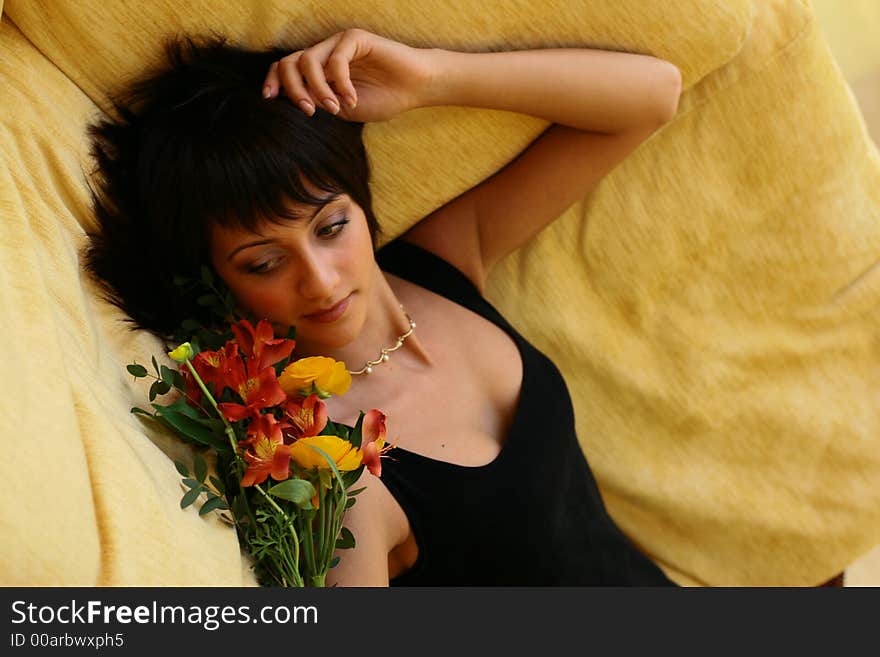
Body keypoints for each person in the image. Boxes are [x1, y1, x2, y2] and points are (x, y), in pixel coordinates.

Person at [84, 28, 682, 586]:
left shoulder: (436, 268)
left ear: (363, 205)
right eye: (264, 263)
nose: (320, 281)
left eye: (332, 226)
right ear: (215, 278)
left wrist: (429, 80)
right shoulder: (337, 480)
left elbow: (654, 95)